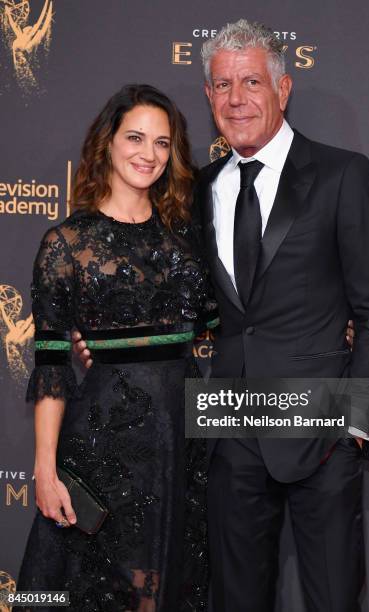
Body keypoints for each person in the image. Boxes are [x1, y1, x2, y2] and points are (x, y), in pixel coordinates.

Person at [195, 19, 369, 612]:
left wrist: (357, 423)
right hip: (229, 431)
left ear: (283, 89)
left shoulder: (342, 174)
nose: (237, 99)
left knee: (334, 597)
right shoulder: (200, 186)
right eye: (222, 85)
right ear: (208, 96)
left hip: (322, 436)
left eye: (252, 81)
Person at [16, 84, 217, 612]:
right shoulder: (65, 244)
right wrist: (45, 467)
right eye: (135, 137)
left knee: (170, 585)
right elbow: (53, 365)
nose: (148, 154)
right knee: (97, 590)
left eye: (162, 143)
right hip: (104, 444)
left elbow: (229, 322)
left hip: (182, 442)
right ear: (108, 142)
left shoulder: (185, 241)